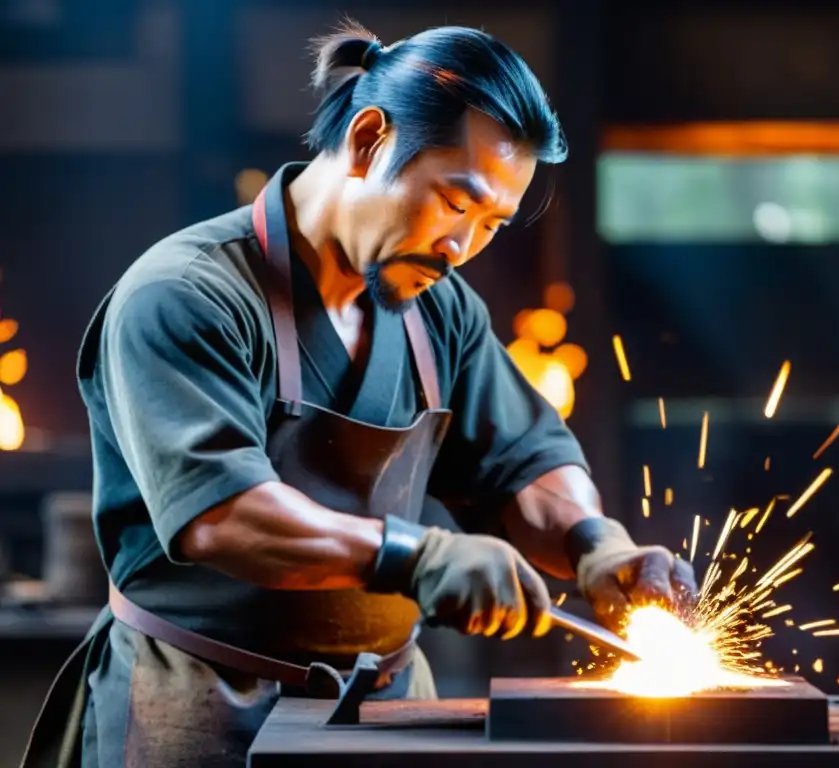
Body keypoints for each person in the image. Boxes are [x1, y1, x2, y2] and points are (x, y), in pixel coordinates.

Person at [21, 21, 696, 768]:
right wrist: (419, 558)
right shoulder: (186, 295)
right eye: (453, 201)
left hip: (385, 708)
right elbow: (223, 515)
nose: (461, 245)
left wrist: (596, 544)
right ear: (371, 138)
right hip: (196, 709)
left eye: (491, 224)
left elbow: (522, 461)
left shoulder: (440, 309)